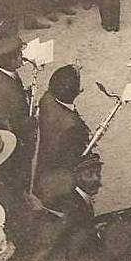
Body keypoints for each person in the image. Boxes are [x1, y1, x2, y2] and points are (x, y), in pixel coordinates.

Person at [34, 64, 91, 202]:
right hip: (59, 176)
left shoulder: (46, 98)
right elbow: (77, 157)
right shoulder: (72, 125)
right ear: (77, 92)